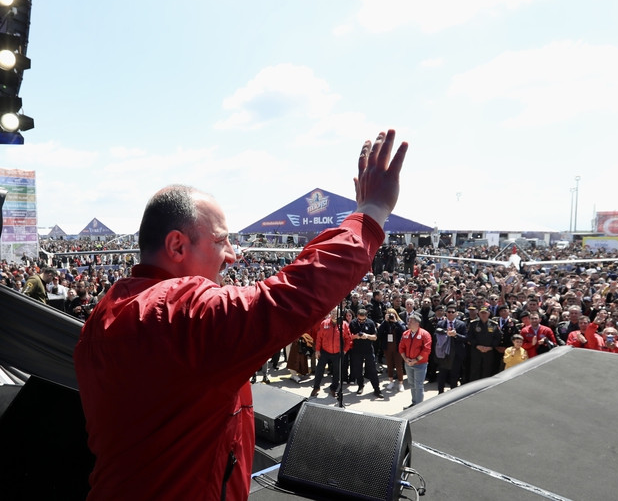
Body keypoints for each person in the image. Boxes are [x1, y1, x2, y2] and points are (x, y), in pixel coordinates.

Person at [74, 129, 408, 501]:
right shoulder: (177, 312)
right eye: (220, 240)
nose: (233, 254)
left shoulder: (107, 312)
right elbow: (287, 298)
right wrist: (371, 214)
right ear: (176, 245)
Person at [311, 311, 353, 397]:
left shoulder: (344, 324)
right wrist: (317, 350)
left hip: (338, 353)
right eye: (333, 313)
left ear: (339, 315)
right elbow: (319, 338)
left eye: (336, 313)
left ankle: (333, 388)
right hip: (325, 351)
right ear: (330, 314)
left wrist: (345, 350)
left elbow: (348, 338)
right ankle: (316, 387)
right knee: (319, 370)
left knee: (336, 372)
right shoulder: (324, 323)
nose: (334, 315)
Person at [349, 308, 385, 398]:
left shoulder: (370, 323)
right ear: (357, 316)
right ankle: (360, 385)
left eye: (363, 319)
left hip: (368, 349)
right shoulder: (353, 323)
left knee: (372, 370)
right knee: (358, 370)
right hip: (357, 350)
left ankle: (376, 389)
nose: (361, 321)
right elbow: (349, 337)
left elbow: (375, 337)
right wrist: (356, 336)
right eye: (359, 319)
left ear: (366, 317)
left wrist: (367, 336)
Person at [399, 312, 432, 409]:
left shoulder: (425, 334)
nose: (408, 323)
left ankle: (419, 407)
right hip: (408, 364)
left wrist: (415, 360)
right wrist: (405, 359)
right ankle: (414, 404)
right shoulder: (405, 334)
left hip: (420, 364)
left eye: (411, 321)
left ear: (417, 323)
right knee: (412, 384)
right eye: (408, 321)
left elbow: (426, 350)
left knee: (418, 385)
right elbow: (401, 348)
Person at [433, 304, 468, 393]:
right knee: (442, 375)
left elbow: (466, 338)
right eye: (449, 312)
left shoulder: (461, 324)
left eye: (453, 312)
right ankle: (440, 393)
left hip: (456, 354)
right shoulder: (441, 323)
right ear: (446, 313)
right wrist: (445, 333)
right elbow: (435, 335)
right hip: (444, 353)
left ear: (456, 313)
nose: (450, 314)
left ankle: (452, 395)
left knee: (454, 376)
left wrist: (455, 335)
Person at [378, 307, 406, 392]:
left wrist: (395, 322)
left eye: (392, 314)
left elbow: (404, 330)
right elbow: (379, 332)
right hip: (388, 347)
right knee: (389, 365)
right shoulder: (385, 323)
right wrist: (385, 321)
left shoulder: (400, 322)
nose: (390, 316)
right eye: (389, 314)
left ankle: (400, 383)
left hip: (397, 347)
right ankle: (391, 381)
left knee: (398, 366)